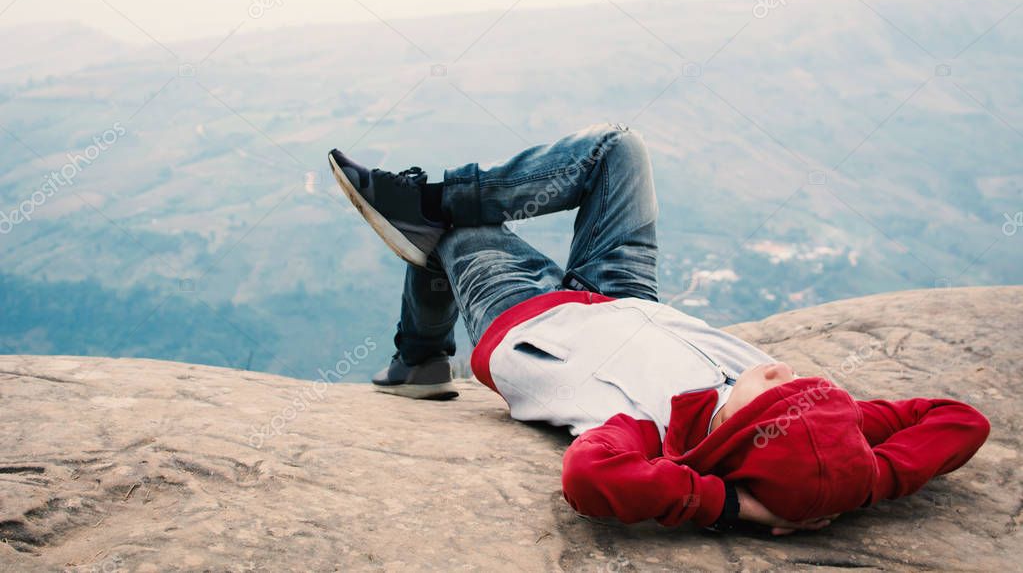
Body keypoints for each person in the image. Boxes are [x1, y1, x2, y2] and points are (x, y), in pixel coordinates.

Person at [327, 123, 990, 533]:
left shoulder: (647, 432)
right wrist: (873, 480)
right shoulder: (831, 439)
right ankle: (428, 200)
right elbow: (958, 421)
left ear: (734, 434)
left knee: (456, 234)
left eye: (777, 393)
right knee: (618, 148)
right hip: (625, 296)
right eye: (809, 390)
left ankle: (418, 356)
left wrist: (734, 507)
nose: (786, 373)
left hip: (525, 316)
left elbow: (590, 482)